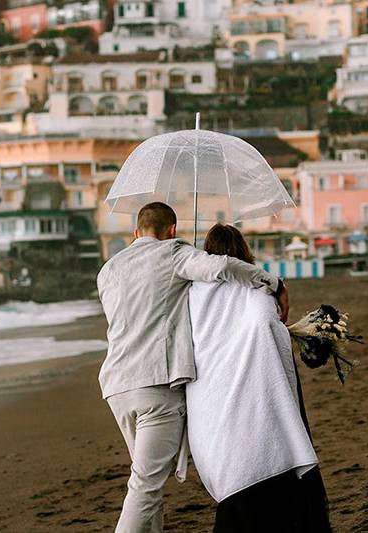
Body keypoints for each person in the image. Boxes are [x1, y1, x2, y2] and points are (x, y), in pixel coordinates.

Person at [97, 203, 288, 533]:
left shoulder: (108, 270)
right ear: (171, 230)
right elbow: (223, 267)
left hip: (116, 387)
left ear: (136, 233)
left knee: (148, 480)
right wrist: (274, 284)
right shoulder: (172, 253)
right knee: (145, 485)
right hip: (156, 387)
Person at [187, 223, 332, 533]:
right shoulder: (256, 289)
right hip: (255, 394)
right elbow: (267, 325)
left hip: (211, 399)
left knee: (234, 469)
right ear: (243, 252)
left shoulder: (192, 294)